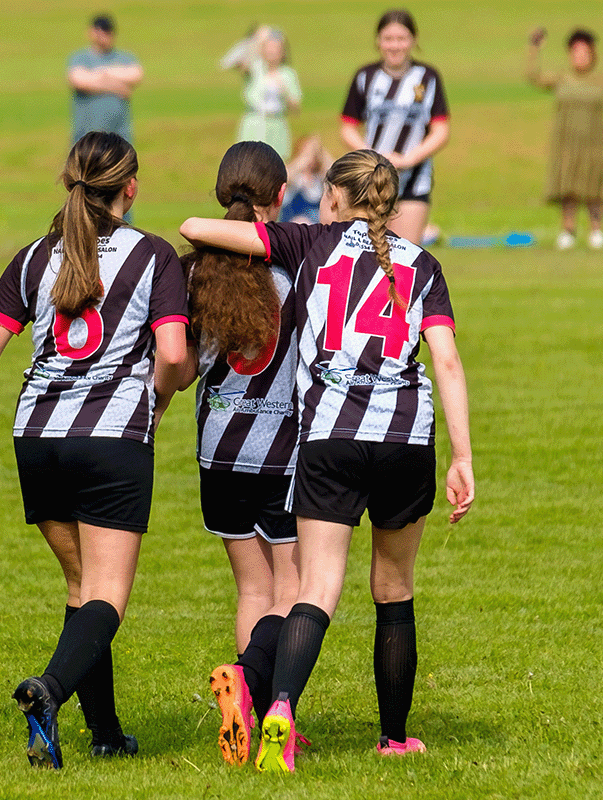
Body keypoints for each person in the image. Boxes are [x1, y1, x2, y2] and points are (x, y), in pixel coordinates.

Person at [180, 149, 475, 773]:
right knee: (393, 590)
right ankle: (394, 737)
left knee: (314, 588)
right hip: (404, 441)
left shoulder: (311, 244)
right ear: (392, 204)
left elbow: (195, 229)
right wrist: (462, 456)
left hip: (328, 442)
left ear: (335, 197)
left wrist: (262, 230)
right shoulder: (423, 264)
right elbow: (445, 359)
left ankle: (281, 709)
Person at [0, 132, 190, 769]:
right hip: (111, 438)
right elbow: (173, 353)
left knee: (81, 589)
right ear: (131, 187)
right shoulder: (153, 256)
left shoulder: (32, 258)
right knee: (107, 597)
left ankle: (106, 733)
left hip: (36, 439)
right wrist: (160, 397)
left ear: (69, 184)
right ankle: (48, 692)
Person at [181, 141, 302, 766]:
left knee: (251, 588)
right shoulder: (295, 267)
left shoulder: (198, 272)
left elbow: (181, 362)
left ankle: (246, 717)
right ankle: (266, 695)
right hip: (283, 455)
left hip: (216, 454)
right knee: (294, 587)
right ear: (279, 197)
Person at [340, 9, 449, 246]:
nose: (394, 46)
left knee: (406, 256)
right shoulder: (365, 77)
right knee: (369, 256)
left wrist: (409, 159)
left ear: (414, 40)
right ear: (378, 41)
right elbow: (347, 127)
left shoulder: (428, 78)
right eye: (388, 39)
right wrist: (373, 157)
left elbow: (441, 130)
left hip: (414, 180)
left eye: (401, 39)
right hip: (372, 180)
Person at [527, 26, 603, 250]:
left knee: (594, 188)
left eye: (585, 53)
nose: (580, 58)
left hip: (594, 143)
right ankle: (568, 230)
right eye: (576, 53)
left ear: (593, 55)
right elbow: (534, 77)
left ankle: (596, 231)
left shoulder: (600, 80)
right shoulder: (562, 79)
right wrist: (534, 49)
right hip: (566, 143)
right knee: (568, 186)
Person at [222, 26, 302, 161]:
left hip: (277, 124)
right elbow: (228, 62)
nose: (272, 51)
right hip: (254, 122)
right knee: (249, 162)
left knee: (275, 165)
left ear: (283, 52)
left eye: (276, 48)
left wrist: (284, 91)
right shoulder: (255, 68)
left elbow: (296, 106)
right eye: (269, 47)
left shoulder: (287, 74)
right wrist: (254, 40)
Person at [68, 14, 144, 144]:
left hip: (119, 136)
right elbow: (78, 81)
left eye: (106, 30)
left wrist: (101, 74)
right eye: (98, 30)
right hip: (86, 136)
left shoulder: (124, 57)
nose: (102, 34)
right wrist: (118, 87)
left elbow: (136, 74)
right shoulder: (79, 57)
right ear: (90, 32)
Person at [280, 134, 334, 225]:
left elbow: (338, 174)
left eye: (314, 153)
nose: (311, 157)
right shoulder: (294, 177)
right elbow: (281, 177)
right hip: (292, 230)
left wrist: (322, 153)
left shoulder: (320, 179)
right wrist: (303, 158)